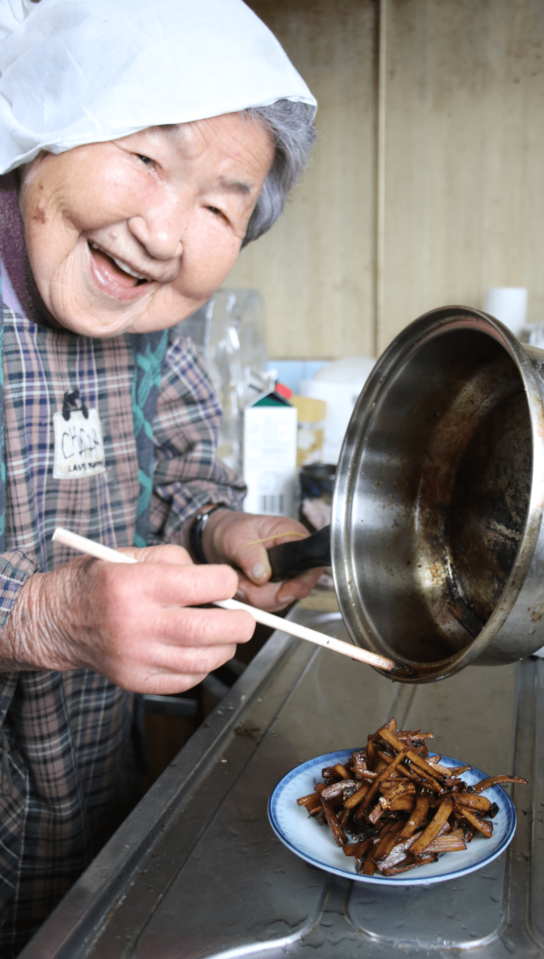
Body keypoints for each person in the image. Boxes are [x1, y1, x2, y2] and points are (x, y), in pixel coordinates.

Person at [0, 0, 321, 951]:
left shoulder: (150, 330)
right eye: (145, 158)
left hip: (84, 812)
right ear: (44, 121)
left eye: (221, 205)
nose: (168, 233)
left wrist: (220, 527)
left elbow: (175, 474)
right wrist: (42, 617)